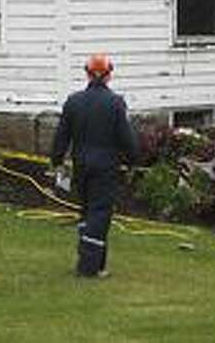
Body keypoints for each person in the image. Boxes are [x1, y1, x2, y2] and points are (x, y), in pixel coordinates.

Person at [50, 52, 138, 279]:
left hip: (81, 166)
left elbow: (62, 136)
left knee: (87, 211)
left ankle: (96, 265)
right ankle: (88, 267)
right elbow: (126, 138)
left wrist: (57, 160)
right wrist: (132, 161)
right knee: (99, 214)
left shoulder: (73, 101)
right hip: (106, 167)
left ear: (87, 74)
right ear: (109, 75)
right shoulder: (115, 103)